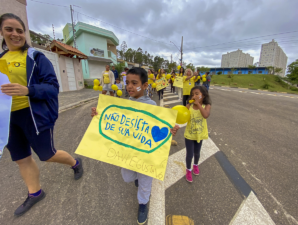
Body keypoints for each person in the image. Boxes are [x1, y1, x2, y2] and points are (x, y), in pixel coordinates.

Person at [0, 13, 84, 216]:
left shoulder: (35, 57)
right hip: (7, 119)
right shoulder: (1, 59)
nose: (15, 34)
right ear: (2, 32)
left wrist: (28, 90)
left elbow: (52, 87)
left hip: (33, 115)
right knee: (21, 158)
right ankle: (35, 192)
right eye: (9, 29)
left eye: (20, 30)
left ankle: (75, 163)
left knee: (48, 155)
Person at [91, 67, 179, 224]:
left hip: (145, 153)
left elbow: (160, 126)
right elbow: (115, 124)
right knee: (127, 176)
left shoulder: (152, 105)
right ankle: (138, 179)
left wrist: (170, 130)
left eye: (134, 83)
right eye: (127, 83)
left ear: (145, 86)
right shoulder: (123, 105)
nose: (129, 86)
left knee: (145, 181)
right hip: (129, 151)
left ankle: (143, 204)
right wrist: (99, 116)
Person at [184, 86, 211, 182]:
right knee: (189, 154)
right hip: (189, 135)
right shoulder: (189, 106)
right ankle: (188, 169)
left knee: (197, 153)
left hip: (199, 134)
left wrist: (198, 105)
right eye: (192, 95)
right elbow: (182, 117)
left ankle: (195, 165)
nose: (194, 96)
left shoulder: (206, 105)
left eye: (196, 94)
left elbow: (205, 115)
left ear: (203, 95)